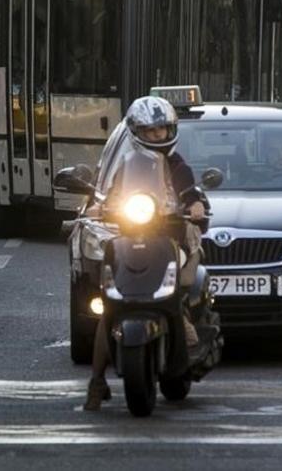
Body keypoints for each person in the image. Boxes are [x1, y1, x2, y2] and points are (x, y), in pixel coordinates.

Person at [84, 95, 207, 411]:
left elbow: (189, 191)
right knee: (109, 304)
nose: (158, 137)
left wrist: (194, 206)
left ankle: (184, 325)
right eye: (150, 131)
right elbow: (107, 195)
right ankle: (96, 381)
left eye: (162, 130)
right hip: (130, 243)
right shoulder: (124, 166)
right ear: (136, 131)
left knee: (180, 283)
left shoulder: (177, 165)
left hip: (169, 241)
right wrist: (97, 207)